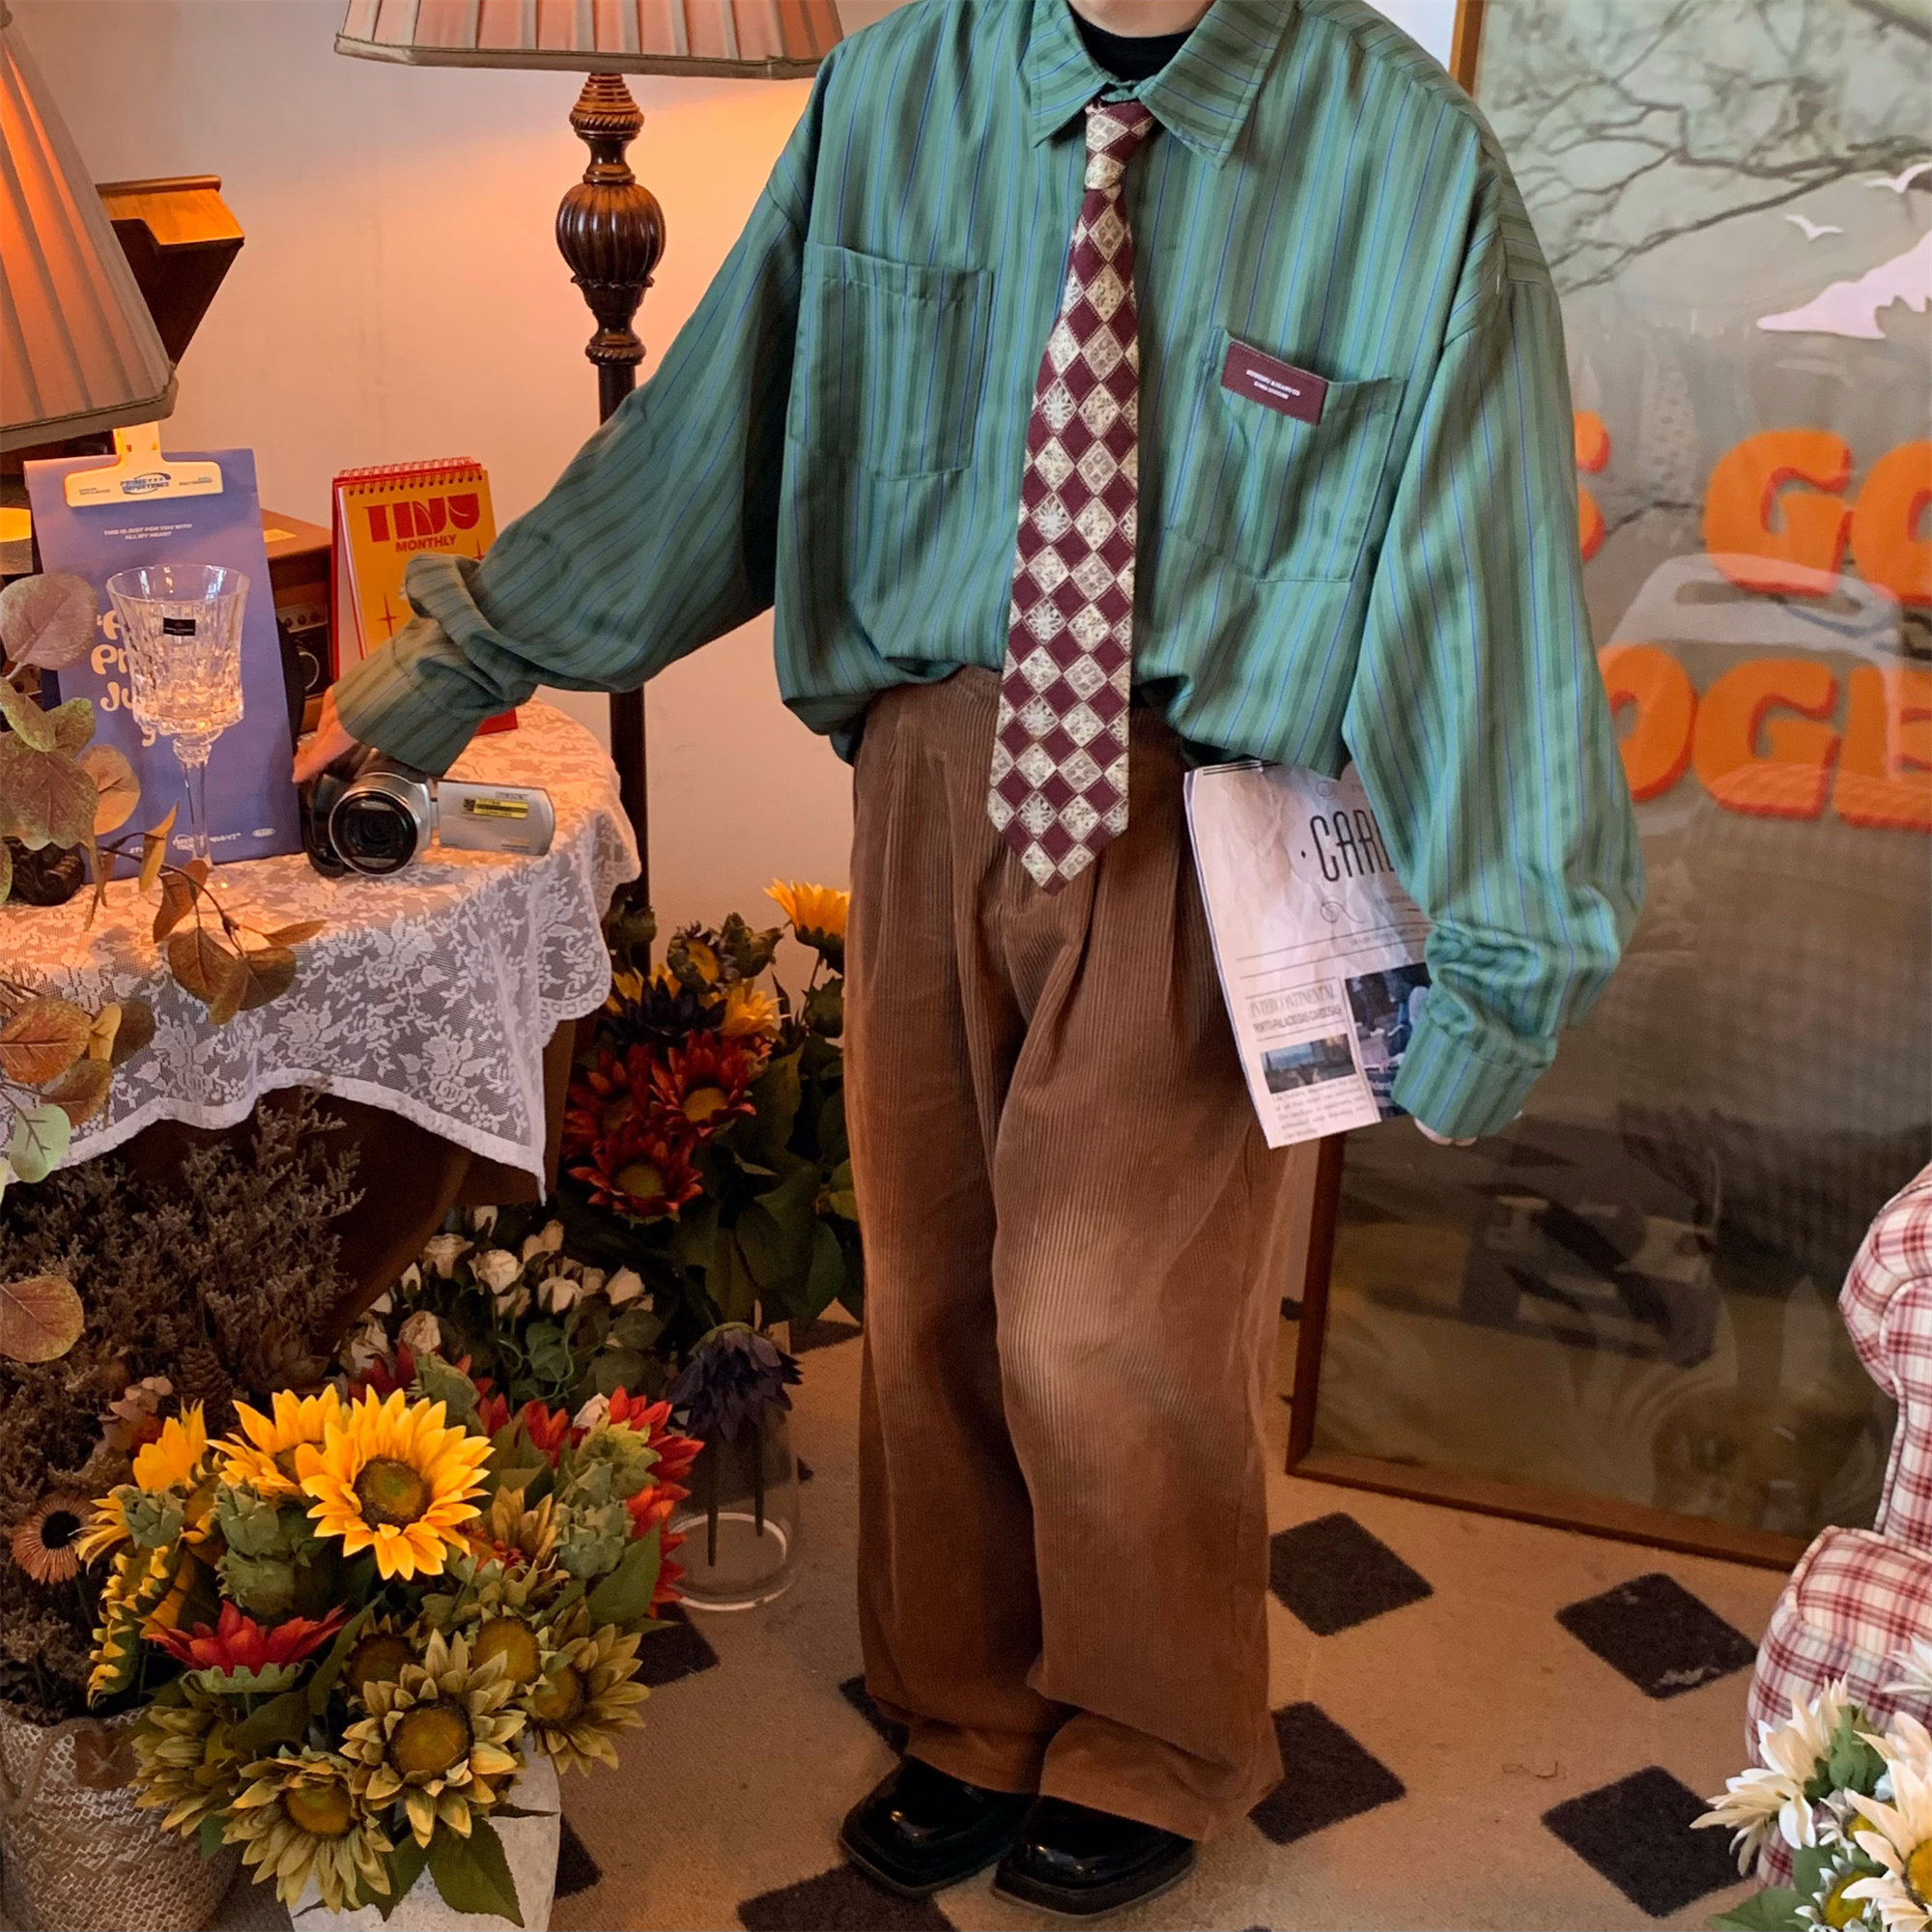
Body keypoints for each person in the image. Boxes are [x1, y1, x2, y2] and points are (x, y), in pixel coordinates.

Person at [298, 0, 1642, 1914]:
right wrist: (453, 672)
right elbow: (709, 437)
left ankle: (1151, 1726)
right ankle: (965, 1705)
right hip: (932, 767)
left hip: (1200, 807)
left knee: (1105, 1325)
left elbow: (1478, 573)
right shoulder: (894, 91)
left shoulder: (1402, 159)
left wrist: (1504, 958)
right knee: (928, 1280)